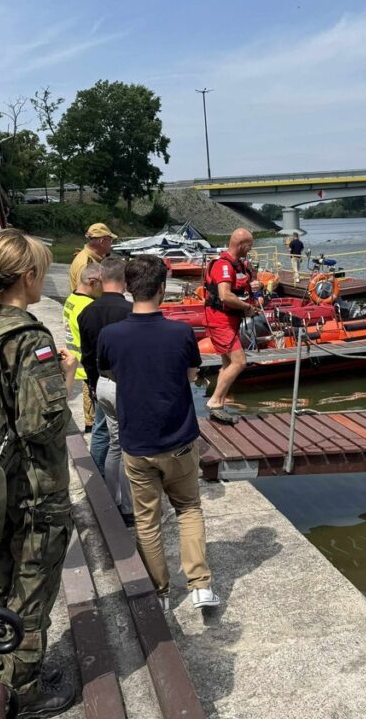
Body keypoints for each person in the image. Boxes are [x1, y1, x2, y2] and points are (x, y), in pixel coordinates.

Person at [0, 228, 79, 718]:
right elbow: (41, 424)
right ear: (29, 276)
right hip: (33, 491)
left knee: (0, 586)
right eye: (43, 269)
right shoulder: (29, 336)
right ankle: (24, 693)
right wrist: (67, 377)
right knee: (31, 591)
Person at [97, 254, 220, 612]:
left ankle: (161, 593)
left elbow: (110, 374)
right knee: (188, 508)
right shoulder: (181, 332)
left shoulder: (111, 335)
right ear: (162, 289)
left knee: (147, 521)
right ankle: (199, 586)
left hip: (137, 442)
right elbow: (193, 375)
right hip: (179, 439)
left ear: (129, 289)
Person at [77, 257, 133, 523]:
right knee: (128, 448)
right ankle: (129, 508)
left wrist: (92, 384)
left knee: (113, 445)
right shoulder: (130, 311)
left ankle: (112, 498)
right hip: (126, 385)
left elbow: (87, 355)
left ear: (101, 277)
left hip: (101, 383)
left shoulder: (85, 313)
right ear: (124, 280)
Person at [203, 228, 259, 422]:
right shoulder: (223, 265)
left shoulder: (238, 266)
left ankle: (220, 405)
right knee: (239, 361)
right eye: (249, 246)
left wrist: (252, 288)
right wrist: (246, 307)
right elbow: (225, 295)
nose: (250, 250)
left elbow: (238, 287)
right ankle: (215, 402)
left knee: (227, 363)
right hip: (220, 322)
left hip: (230, 320)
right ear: (240, 245)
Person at [62, 263, 102, 435]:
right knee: (92, 399)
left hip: (77, 361)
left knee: (88, 398)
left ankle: (89, 424)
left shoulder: (72, 299)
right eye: (103, 282)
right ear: (92, 282)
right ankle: (91, 427)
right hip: (87, 363)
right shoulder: (88, 306)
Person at [68, 222, 117, 293]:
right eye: (110, 240)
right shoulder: (85, 263)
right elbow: (83, 293)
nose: (111, 244)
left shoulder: (87, 256)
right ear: (102, 242)